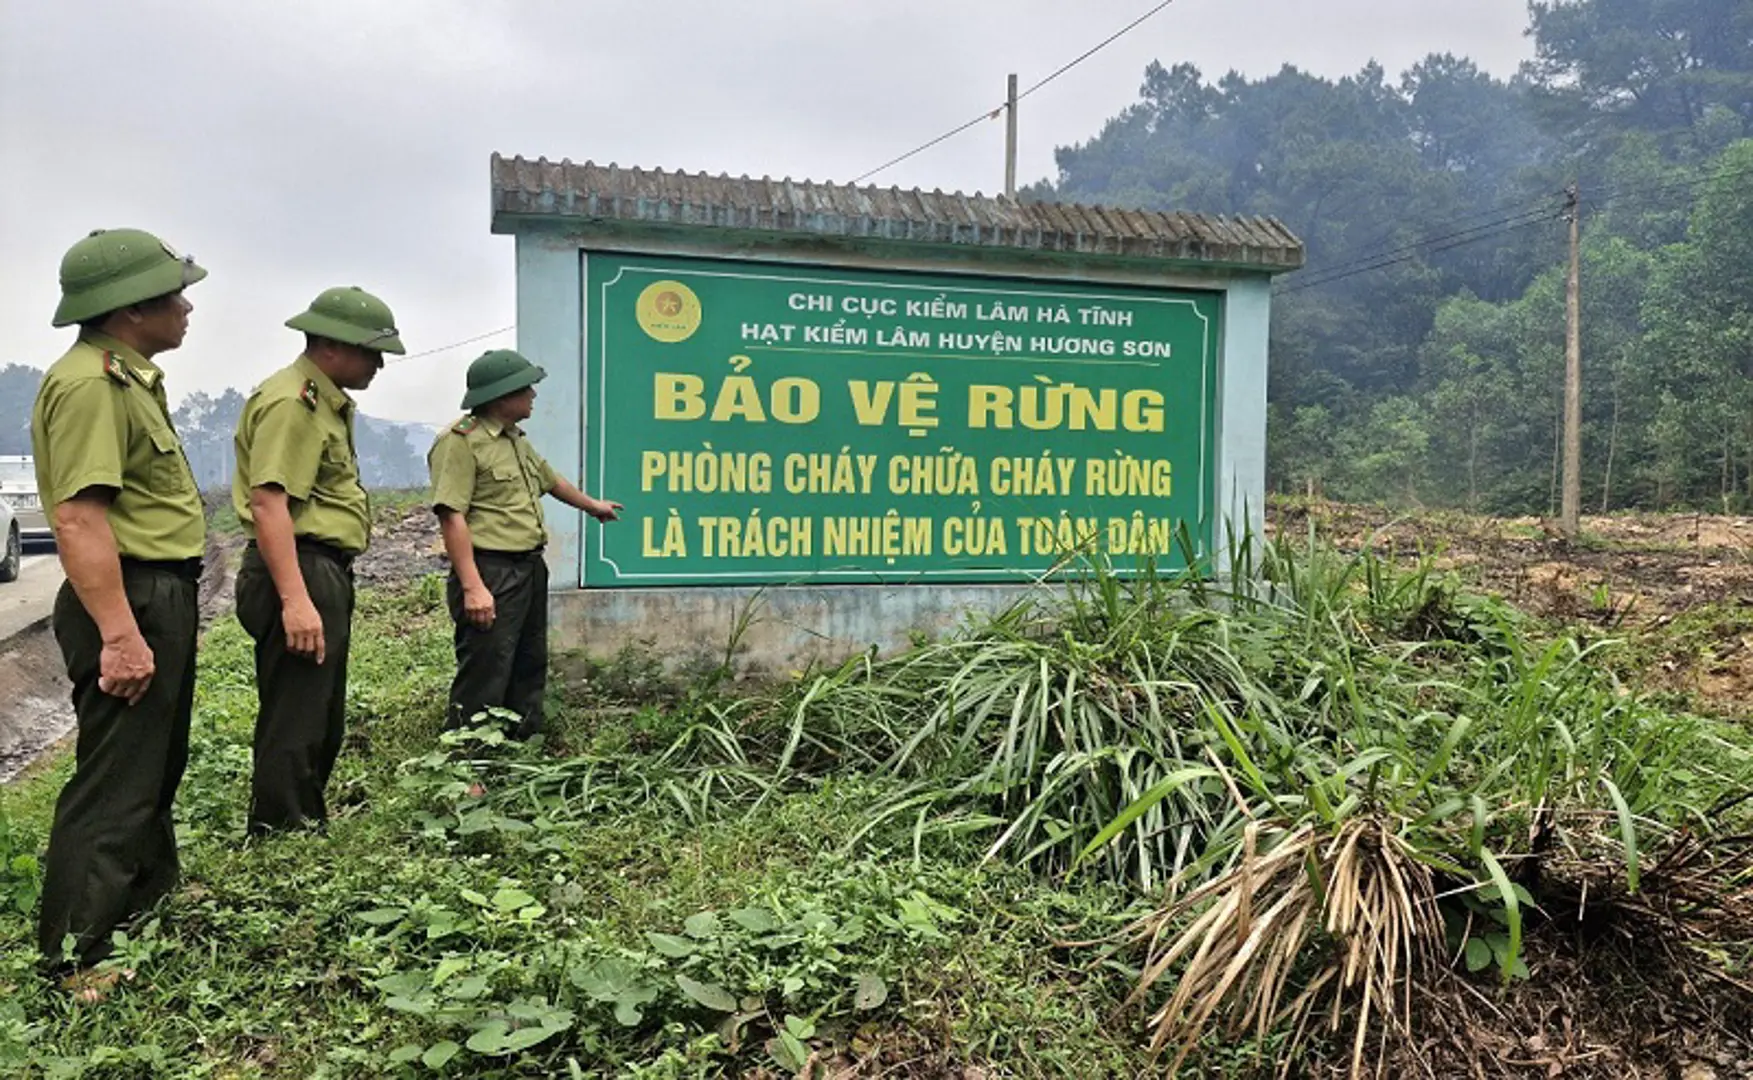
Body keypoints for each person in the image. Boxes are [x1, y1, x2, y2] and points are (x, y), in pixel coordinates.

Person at [29, 228, 207, 995]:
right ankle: (76, 953)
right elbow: (78, 518)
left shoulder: (126, 378)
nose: (188, 306)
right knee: (114, 778)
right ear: (134, 309)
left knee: (154, 760)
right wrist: (121, 633)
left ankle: (145, 899)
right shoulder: (93, 385)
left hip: (153, 590)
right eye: (175, 294)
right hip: (128, 595)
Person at [231, 286, 403, 834]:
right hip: (297, 567)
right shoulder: (293, 403)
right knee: (296, 713)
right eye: (371, 351)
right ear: (331, 345)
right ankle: (282, 831)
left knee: (318, 710)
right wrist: (295, 600)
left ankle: (303, 818)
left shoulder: (322, 400)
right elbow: (269, 502)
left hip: (315, 567)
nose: (378, 364)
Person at [427, 349, 621, 739]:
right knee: (486, 668)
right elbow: (452, 515)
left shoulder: (515, 441)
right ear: (502, 395)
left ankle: (521, 749)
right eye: (525, 388)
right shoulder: (461, 442)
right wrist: (473, 587)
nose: (533, 394)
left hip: (529, 567)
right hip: (490, 571)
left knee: (529, 662)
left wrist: (593, 506)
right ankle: (470, 765)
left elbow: (551, 481)